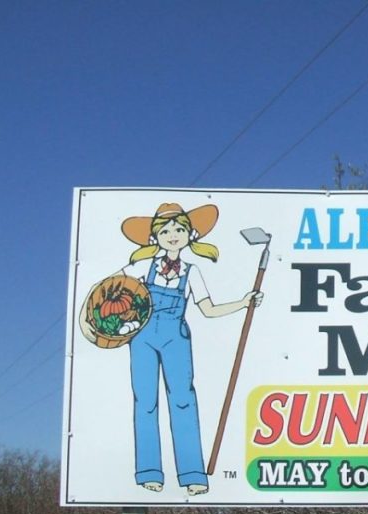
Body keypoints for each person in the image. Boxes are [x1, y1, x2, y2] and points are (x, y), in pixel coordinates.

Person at [79, 202, 261, 496]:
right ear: (154, 237)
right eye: (166, 230)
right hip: (142, 336)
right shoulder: (140, 267)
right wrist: (89, 322)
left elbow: (209, 310)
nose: (173, 234)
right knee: (145, 401)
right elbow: (107, 289)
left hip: (176, 337)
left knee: (183, 400)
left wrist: (243, 302)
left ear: (191, 234)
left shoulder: (192, 271)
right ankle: (149, 471)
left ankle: (192, 473)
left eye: (179, 229)